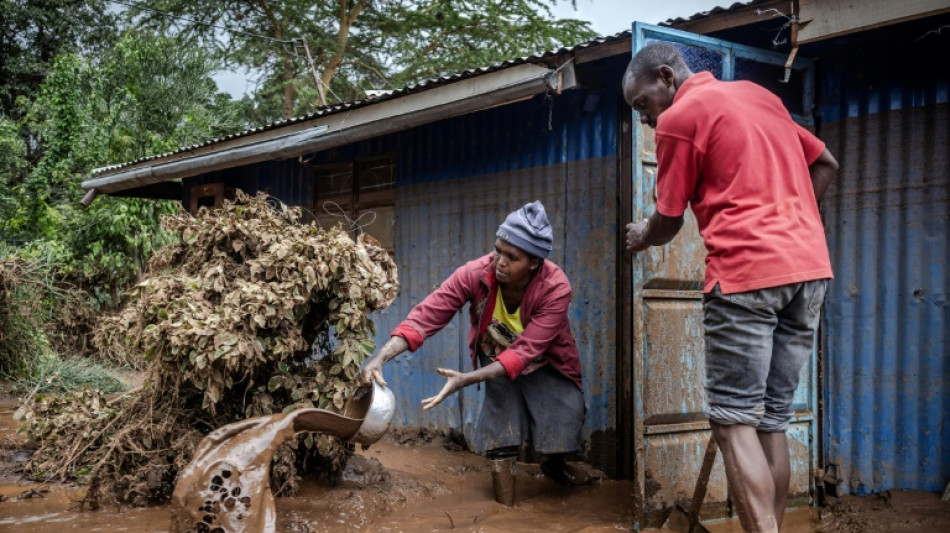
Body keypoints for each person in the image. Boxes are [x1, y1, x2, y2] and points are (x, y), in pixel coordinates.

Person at [622, 43, 838, 533]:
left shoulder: (681, 119)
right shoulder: (761, 97)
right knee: (771, 422)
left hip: (745, 277)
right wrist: (792, 224)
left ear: (666, 77)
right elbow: (826, 163)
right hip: (809, 272)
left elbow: (669, 221)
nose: (646, 122)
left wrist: (640, 235)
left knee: (732, 422)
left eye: (643, 106)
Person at [359, 201, 590, 505]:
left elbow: (524, 352)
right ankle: (505, 510)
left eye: (512, 257)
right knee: (501, 428)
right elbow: (428, 314)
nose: (500, 262)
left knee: (564, 419)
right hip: (493, 357)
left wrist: (466, 379)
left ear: (534, 262)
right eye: (498, 251)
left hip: (545, 361)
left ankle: (554, 464)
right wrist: (381, 356)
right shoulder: (475, 273)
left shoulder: (555, 287)